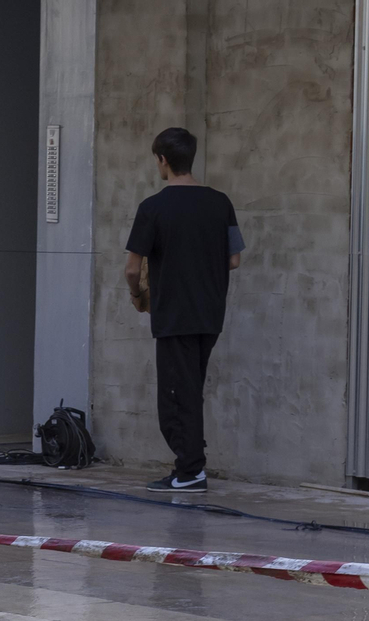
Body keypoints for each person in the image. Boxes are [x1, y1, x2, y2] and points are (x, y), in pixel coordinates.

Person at [125, 127, 243, 493]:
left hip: (174, 315)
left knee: (175, 397)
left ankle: (191, 471)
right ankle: (191, 467)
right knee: (191, 391)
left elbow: (132, 269)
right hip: (210, 313)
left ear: (162, 160)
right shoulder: (221, 202)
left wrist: (137, 293)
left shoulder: (152, 208)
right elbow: (234, 260)